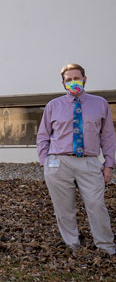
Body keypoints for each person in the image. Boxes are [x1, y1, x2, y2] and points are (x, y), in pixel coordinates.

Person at [37, 63, 115, 255]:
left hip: (89, 162)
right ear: (64, 83)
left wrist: (109, 165)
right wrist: (44, 161)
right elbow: (43, 135)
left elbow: (108, 136)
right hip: (58, 162)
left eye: (76, 78)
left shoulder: (100, 103)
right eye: (69, 80)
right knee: (64, 208)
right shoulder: (53, 106)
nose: (73, 82)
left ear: (85, 79)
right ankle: (71, 244)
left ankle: (106, 246)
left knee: (96, 205)